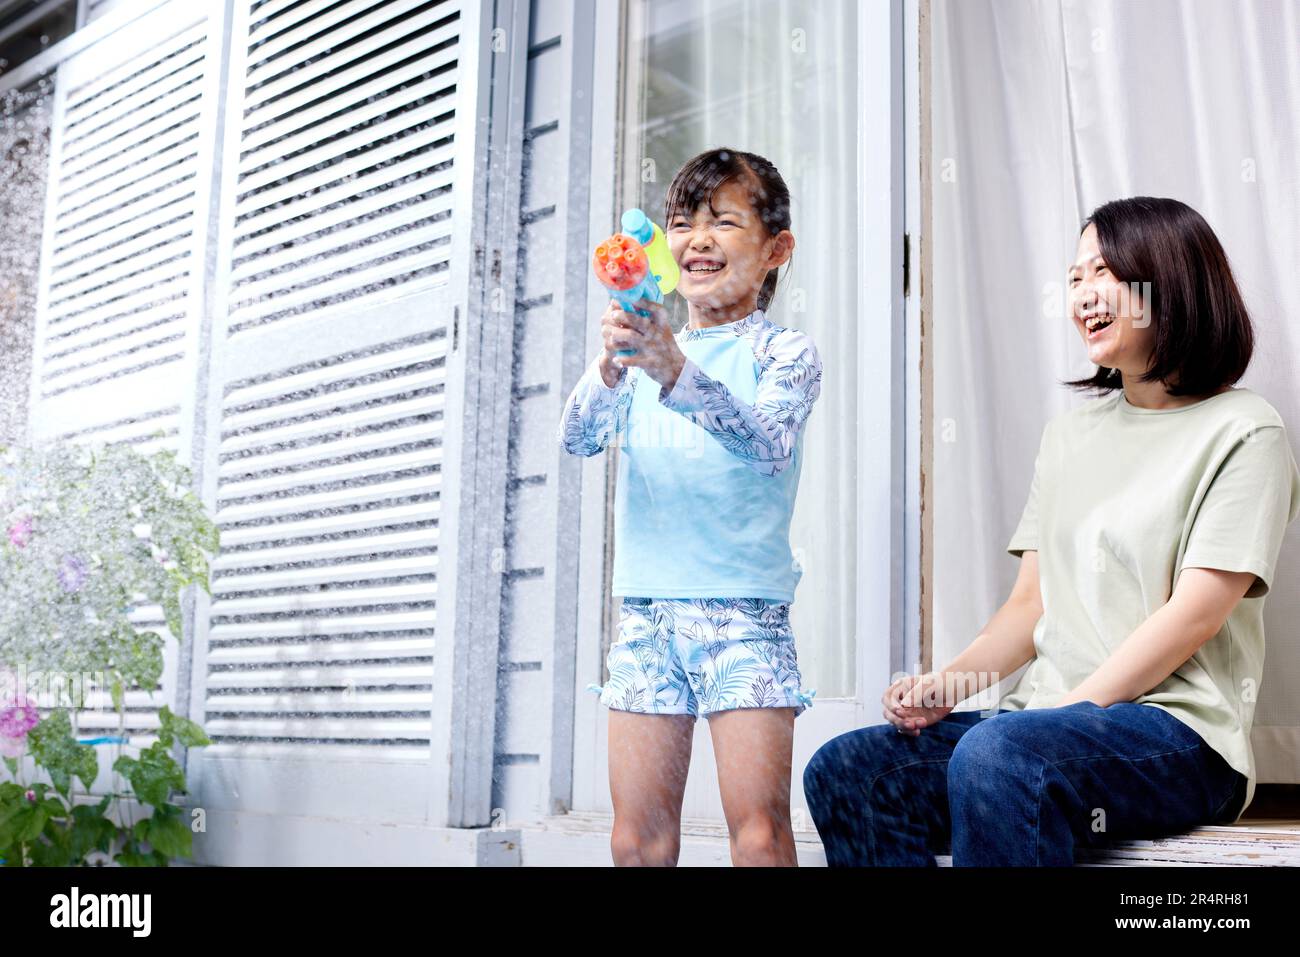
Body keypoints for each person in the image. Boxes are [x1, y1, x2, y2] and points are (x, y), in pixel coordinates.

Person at [803, 196, 1300, 866]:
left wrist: (1064, 713)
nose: (1083, 295)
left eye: (1106, 273)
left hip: (1180, 736)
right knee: (850, 769)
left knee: (1001, 753)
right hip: (1043, 726)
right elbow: (1031, 605)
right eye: (1074, 279)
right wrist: (945, 686)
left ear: (1173, 281)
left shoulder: (1245, 429)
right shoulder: (1068, 437)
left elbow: (1195, 615)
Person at [558, 148, 822, 866]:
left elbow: (766, 445)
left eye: (723, 221)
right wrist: (613, 364)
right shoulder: (643, 352)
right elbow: (578, 437)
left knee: (760, 835)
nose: (696, 239)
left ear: (776, 249)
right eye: (680, 223)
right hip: (646, 612)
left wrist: (673, 366)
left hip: (745, 614)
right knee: (635, 841)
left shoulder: (784, 352)